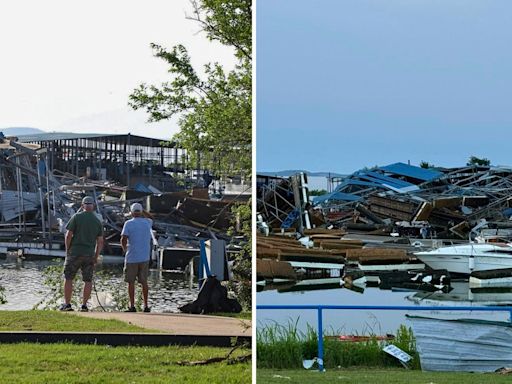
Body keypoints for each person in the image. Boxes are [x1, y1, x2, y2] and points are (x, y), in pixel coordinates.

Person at [60, 196, 104, 312]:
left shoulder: (76, 217)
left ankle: (67, 304)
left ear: (82, 205)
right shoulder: (97, 221)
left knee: (68, 278)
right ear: (93, 206)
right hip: (89, 254)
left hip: (74, 252)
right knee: (87, 280)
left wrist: (67, 250)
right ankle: (84, 306)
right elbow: (100, 241)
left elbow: (68, 235)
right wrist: (96, 256)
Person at [121, 203, 153, 312]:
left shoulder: (128, 224)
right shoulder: (147, 223)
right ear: (141, 212)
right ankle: (146, 305)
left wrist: (124, 249)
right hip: (144, 257)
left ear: (131, 212)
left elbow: (123, 239)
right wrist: (143, 210)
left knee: (131, 282)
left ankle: (132, 305)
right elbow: (151, 217)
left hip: (132, 257)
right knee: (144, 282)